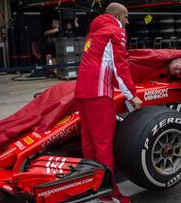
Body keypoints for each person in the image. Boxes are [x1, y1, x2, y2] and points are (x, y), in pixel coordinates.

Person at [74, 2, 143, 203]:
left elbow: (103, 63)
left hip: (81, 91)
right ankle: (109, 192)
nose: (127, 21)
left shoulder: (94, 32)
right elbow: (120, 67)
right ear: (116, 16)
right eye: (126, 17)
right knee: (104, 144)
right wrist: (132, 94)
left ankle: (91, 185)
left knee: (88, 143)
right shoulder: (115, 31)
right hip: (98, 93)